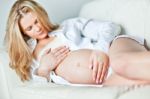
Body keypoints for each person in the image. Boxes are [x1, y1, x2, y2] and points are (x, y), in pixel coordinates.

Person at [5, 0, 150, 86]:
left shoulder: (68, 26)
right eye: (29, 28)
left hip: (114, 49)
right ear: (23, 33)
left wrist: (101, 50)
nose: (37, 28)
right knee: (130, 83)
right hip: (103, 80)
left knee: (120, 63)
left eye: (36, 21)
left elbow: (110, 27)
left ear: (41, 14)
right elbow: (38, 90)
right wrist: (43, 69)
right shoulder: (32, 60)